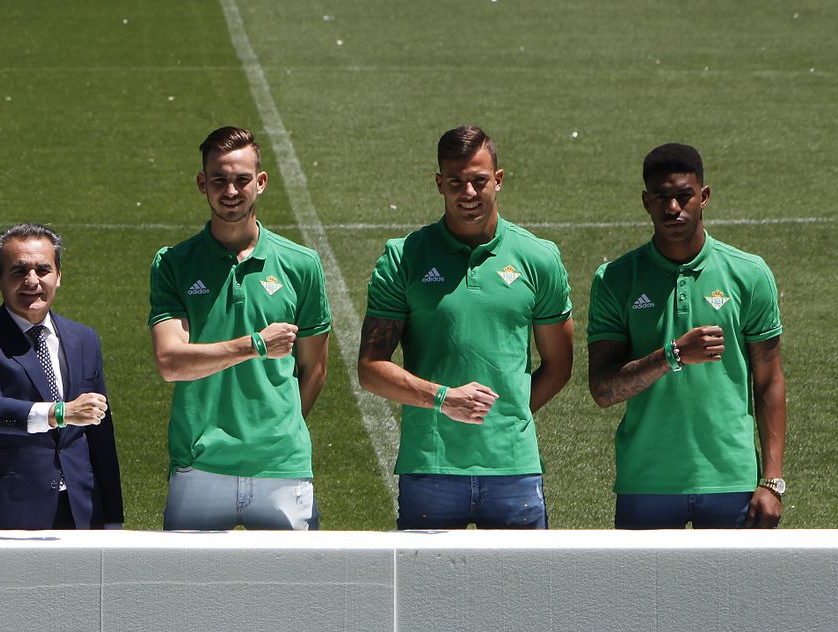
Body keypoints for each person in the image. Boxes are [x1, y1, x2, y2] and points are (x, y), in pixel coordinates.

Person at [358, 125, 573, 529]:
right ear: (439, 183)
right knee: (426, 594)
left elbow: (559, 364)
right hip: (430, 469)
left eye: (479, 181)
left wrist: (509, 414)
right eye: (456, 182)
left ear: (499, 180)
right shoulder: (403, 258)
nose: (468, 194)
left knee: (522, 592)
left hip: (514, 469)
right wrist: (443, 399)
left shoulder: (539, 258)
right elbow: (370, 368)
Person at [587, 143, 785, 528]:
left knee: (733, 591)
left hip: (732, 481)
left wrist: (772, 480)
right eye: (661, 197)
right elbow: (603, 390)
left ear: (704, 197)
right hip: (646, 482)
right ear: (646, 202)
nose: (673, 208)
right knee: (643, 592)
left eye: (683, 196)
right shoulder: (615, 279)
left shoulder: (749, 274)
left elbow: (770, 380)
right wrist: (672, 355)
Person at [148, 126, 331, 530]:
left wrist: (279, 430)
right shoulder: (173, 264)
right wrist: (256, 345)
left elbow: (314, 369)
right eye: (219, 180)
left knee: (297, 591)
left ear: (261, 182)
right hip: (200, 466)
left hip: (282, 468)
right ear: (202, 184)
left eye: (242, 179)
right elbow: (171, 363)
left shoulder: (302, 264)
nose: (230, 190)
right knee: (186, 591)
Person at [0, 224, 123, 529]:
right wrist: (62, 412)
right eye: (19, 271)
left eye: (43, 270)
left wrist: (112, 518)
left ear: (59, 275)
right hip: (8, 513)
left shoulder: (84, 339)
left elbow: (100, 435)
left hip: (81, 512)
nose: (32, 281)